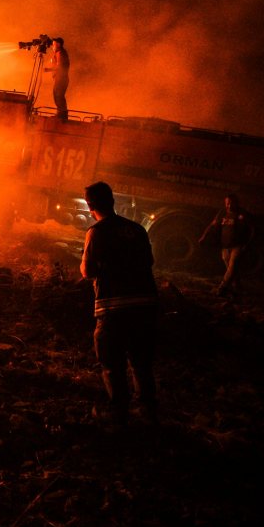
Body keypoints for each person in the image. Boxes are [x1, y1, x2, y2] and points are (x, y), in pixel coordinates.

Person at [80, 181, 159, 427]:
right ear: (112, 201)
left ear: (90, 205)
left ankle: (118, 412)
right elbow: (149, 261)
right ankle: (147, 409)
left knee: (112, 363)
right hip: (146, 306)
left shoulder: (96, 232)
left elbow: (87, 271)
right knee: (141, 361)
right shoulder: (137, 230)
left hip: (113, 309)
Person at [198, 193, 254, 297]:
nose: (229, 206)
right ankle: (237, 288)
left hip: (238, 245)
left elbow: (252, 229)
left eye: (231, 203)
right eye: (227, 203)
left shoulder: (242, 214)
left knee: (232, 266)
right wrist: (203, 237)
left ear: (236, 203)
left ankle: (221, 288)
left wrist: (248, 244)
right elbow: (212, 225)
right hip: (225, 246)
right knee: (231, 269)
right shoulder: (222, 213)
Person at [44, 37, 69, 121]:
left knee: (58, 95)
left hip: (61, 78)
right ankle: (61, 114)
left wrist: (48, 70)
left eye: (54, 44)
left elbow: (60, 66)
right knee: (57, 95)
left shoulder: (60, 53)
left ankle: (62, 115)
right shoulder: (58, 53)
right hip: (60, 78)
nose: (52, 46)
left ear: (58, 44)